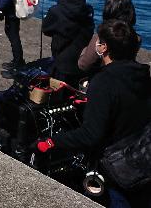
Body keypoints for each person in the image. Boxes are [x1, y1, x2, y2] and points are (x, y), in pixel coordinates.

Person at [35, 20, 150, 208]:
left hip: (116, 169)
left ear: (103, 47)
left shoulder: (103, 82)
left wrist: (51, 142)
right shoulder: (142, 74)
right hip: (142, 158)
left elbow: (90, 134)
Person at [41, 0, 95, 86]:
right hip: (82, 59)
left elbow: (46, 30)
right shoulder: (88, 10)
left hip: (62, 61)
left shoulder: (56, 10)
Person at [78, 0, 136, 75]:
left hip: (103, 78)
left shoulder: (101, 37)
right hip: (127, 76)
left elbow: (83, 65)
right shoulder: (135, 37)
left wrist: (85, 50)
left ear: (108, 11)